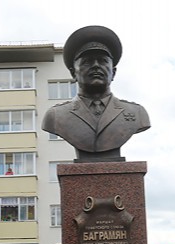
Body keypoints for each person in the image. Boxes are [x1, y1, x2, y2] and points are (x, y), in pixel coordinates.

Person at [42, 25, 150, 162]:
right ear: (73, 73)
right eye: (87, 61)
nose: (96, 66)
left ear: (114, 72)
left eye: (103, 61)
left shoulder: (137, 113)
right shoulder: (56, 116)